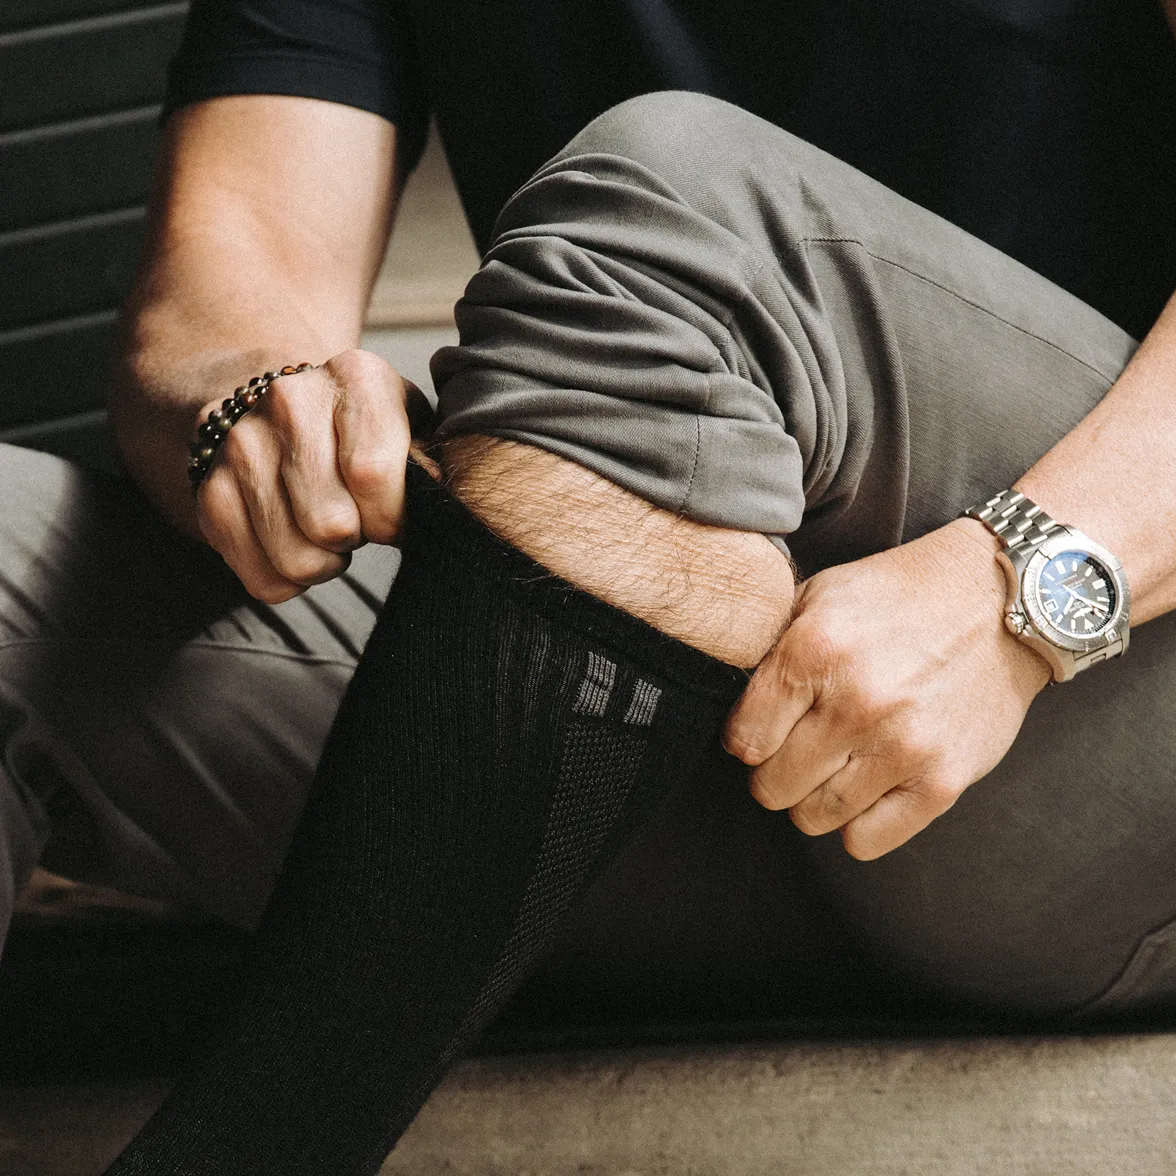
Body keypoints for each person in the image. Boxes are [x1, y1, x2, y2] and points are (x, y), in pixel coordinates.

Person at [3, 0, 1176, 1170]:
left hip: (1076, 741)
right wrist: (256, 403)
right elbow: (230, 274)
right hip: (615, 738)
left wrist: (1019, 587)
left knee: (677, 195)